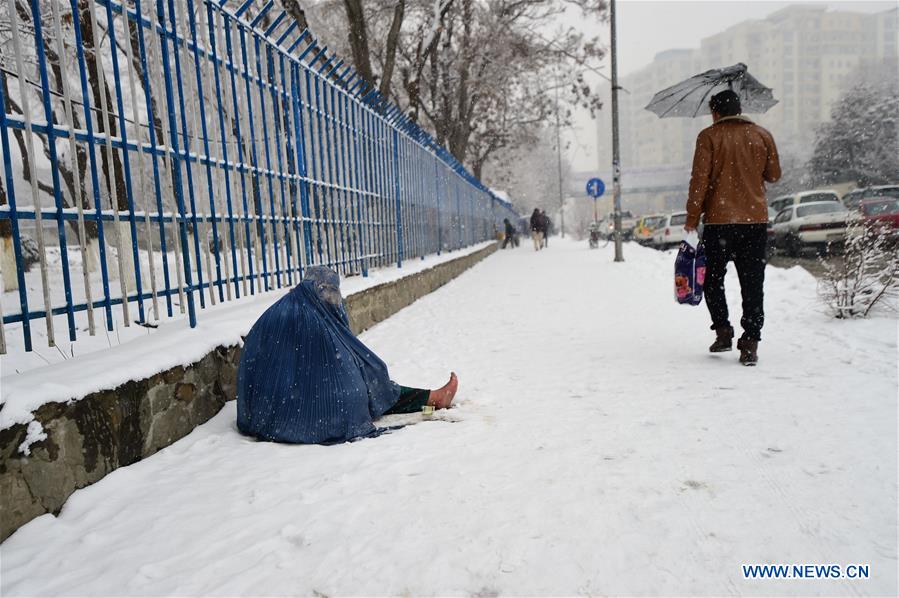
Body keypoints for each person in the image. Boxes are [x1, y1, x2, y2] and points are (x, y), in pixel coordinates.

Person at [237, 266, 459, 444]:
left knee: (368, 382)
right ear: (319, 290)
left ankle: (430, 397)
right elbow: (341, 369)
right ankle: (432, 398)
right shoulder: (312, 320)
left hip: (261, 411)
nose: (336, 300)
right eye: (332, 293)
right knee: (365, 389)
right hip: (306, 413)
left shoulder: (289, 306)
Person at [685, 89, 781, 366]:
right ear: (739, 109)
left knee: (712, 280)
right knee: (753, 283)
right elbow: (774, 175)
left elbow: (699, 182)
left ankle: (723, 331)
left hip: (719, 222)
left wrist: (692, 219)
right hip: (755, 222)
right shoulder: (762, 135)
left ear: (715, 112)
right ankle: (750, 343)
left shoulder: (708, 137)